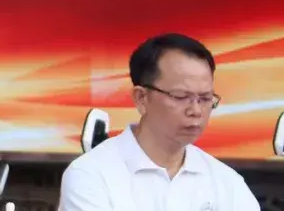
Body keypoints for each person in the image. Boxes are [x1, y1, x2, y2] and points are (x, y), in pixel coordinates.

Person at [58, 33, 258, 211]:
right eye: (180, 96)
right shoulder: (90, 175)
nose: (196, 111)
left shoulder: (227, 183)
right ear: (141, 98)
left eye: (205, 99)